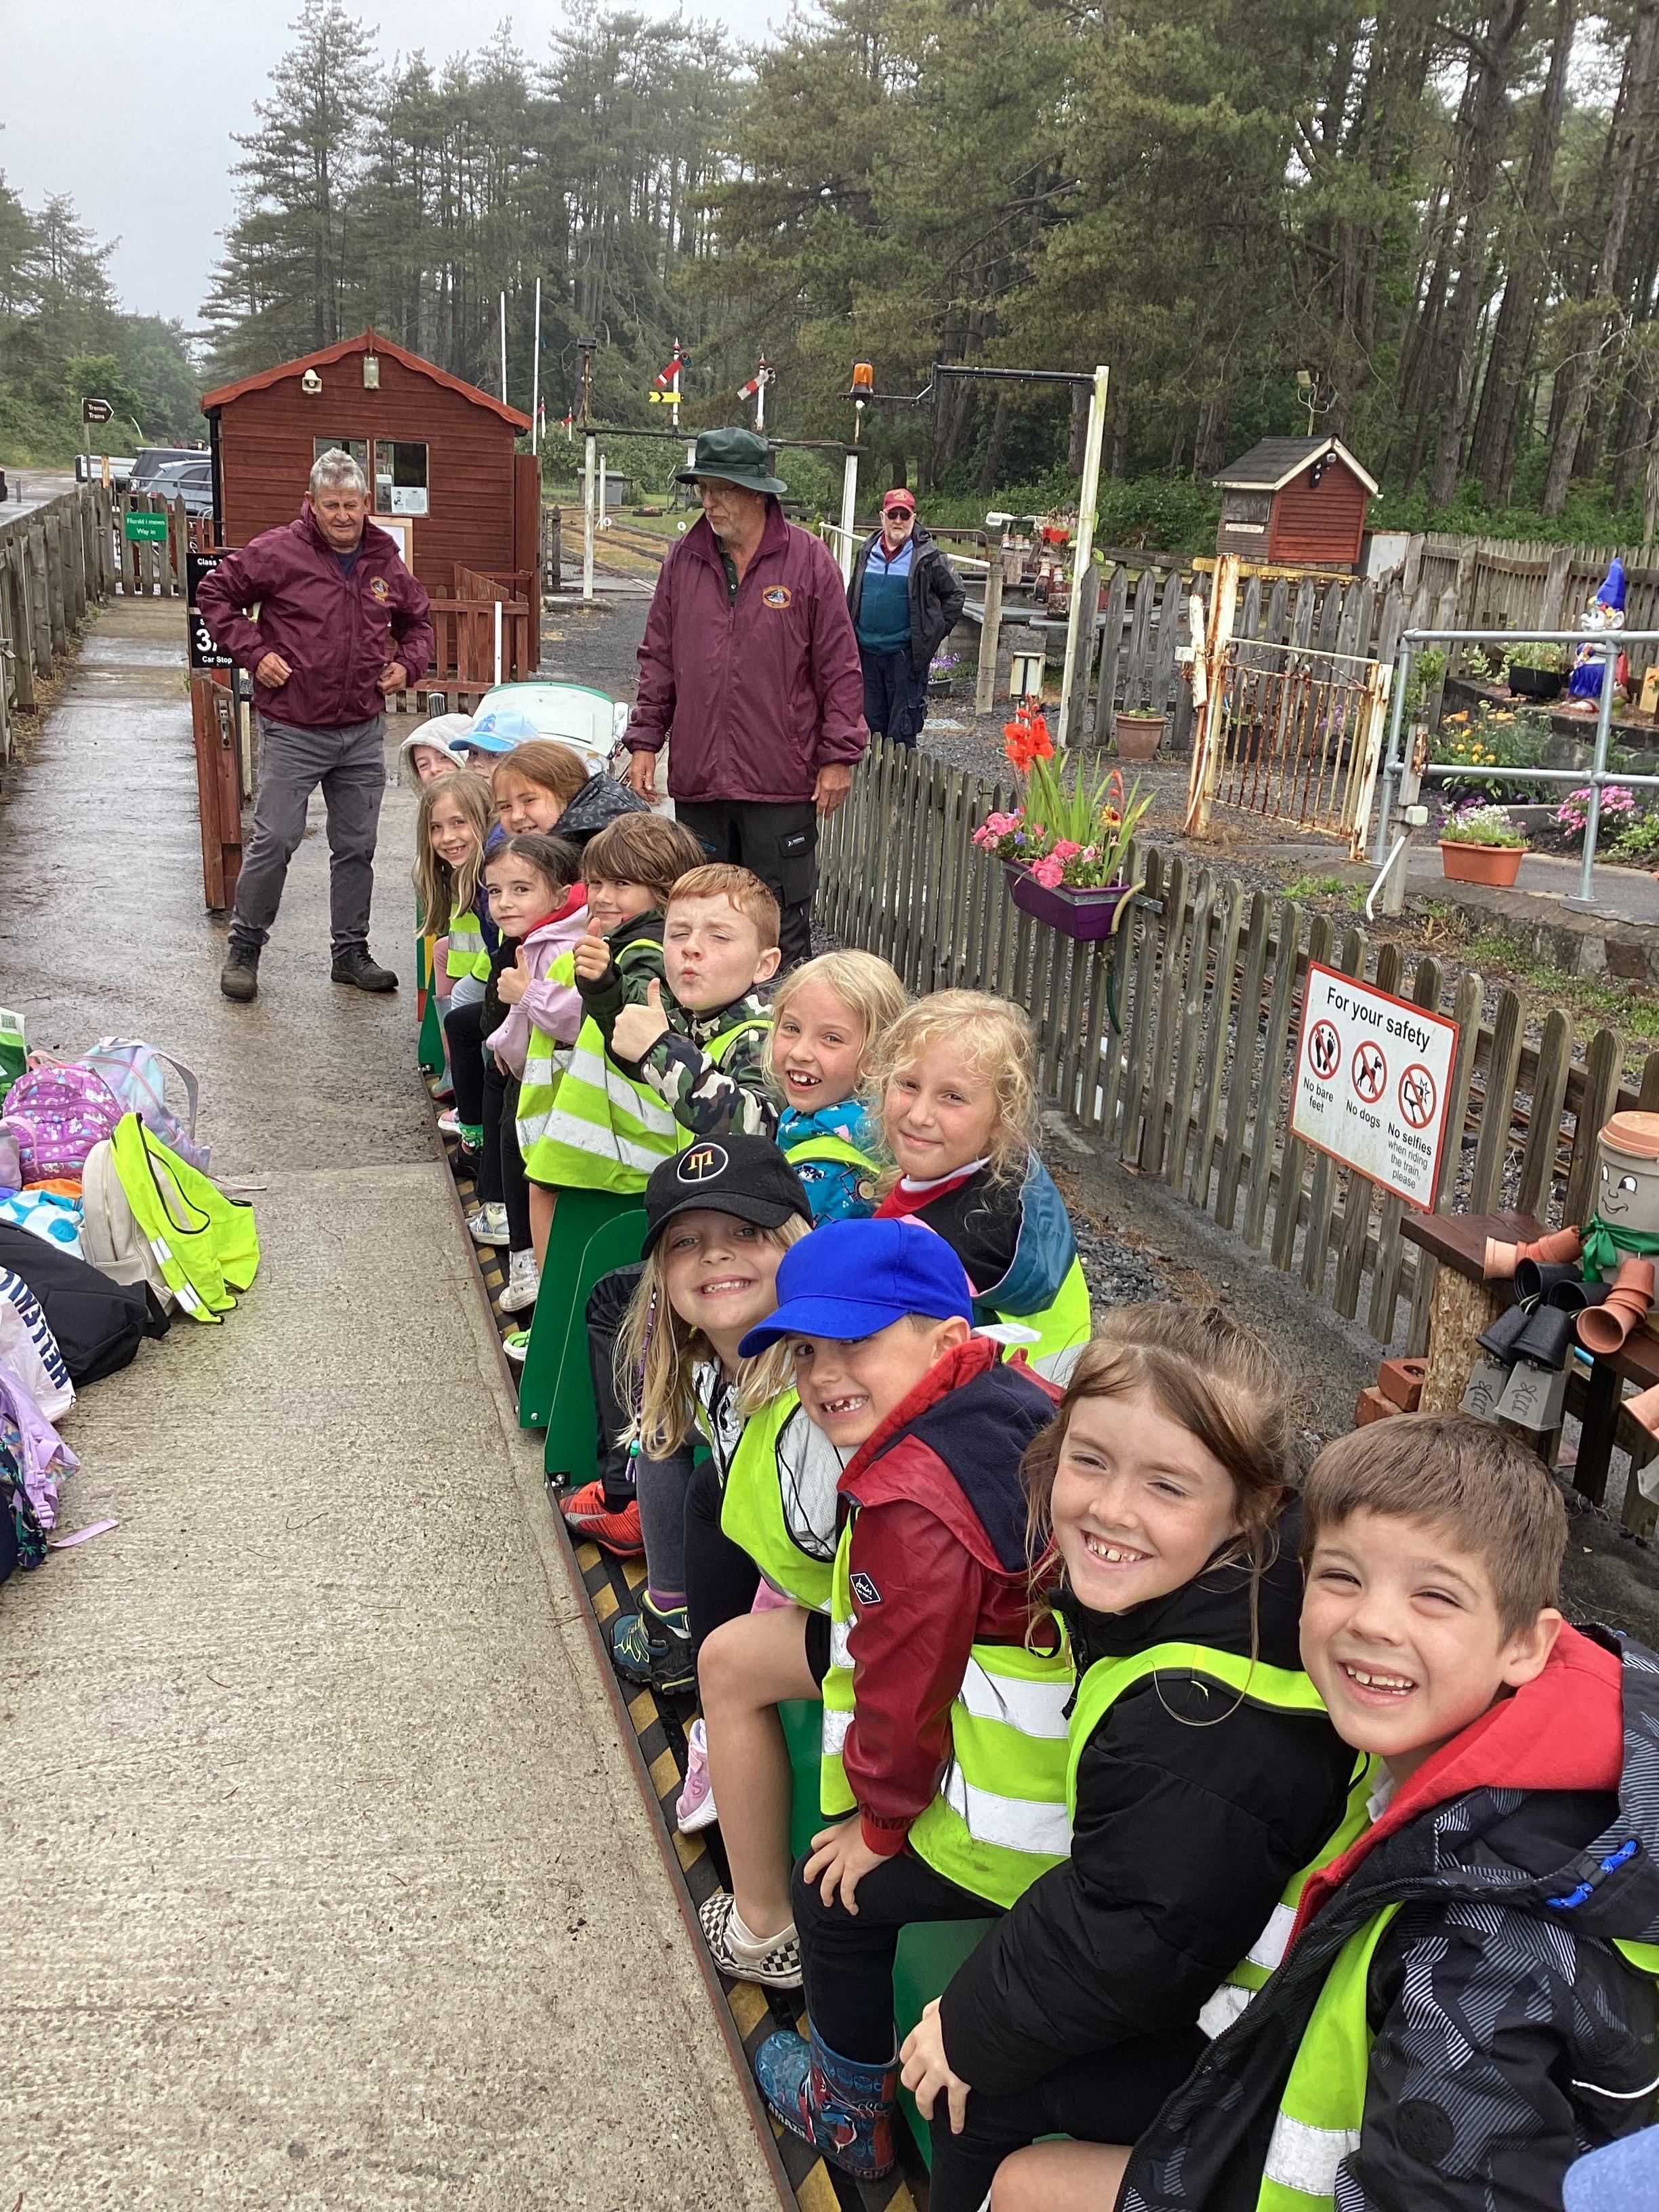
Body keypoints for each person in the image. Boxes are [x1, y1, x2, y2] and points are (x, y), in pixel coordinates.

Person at [1023, 1412, 1659, 2212]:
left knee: (1024, 2183)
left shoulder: (1478, 1953)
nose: (1372, 1622)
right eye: (1342, 1578)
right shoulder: (1522, 1753)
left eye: (1435, 1596)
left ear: (1527, 1644)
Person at [897, 1307, 1359, 2212]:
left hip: (1254, 2040)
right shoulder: (1245, 1591)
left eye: (1166, 1486)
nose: (1112, 1509)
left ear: (1252, 1507)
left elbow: (1135, 1932)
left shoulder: (1201, 1721)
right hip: (1230, 1973)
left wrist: (970, 2025)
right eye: (1091, 1462)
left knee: (973, 2093)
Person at [703, 1220, 1063, 2163]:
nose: (824, 1376)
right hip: (1077, 1775)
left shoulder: (912, 1501)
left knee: (831, 1901)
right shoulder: (1011, 1397)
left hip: (1015, 1826)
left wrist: (879, 1826)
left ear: (946, 1339)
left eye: (857, 1342)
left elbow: (901, 1694)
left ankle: (848, 2111)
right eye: (805, 1351)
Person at [623, 426, 867, 970]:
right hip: (700, 783)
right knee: (703, 921)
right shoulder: (682, 561)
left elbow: (840, 666)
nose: (708, 502)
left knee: (779, 922)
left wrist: (838, 756)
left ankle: (778, 1024)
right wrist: (645, 742)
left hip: (780, 782)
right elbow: (658, 658)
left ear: (758, 493)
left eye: (722, 489)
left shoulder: (808, 561)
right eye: (703, 489)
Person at [199, 447, 432, 1002]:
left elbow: (418, 621)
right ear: (312, 503)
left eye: (351, 505)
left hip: (361, 729)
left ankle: (350, 953)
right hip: (294, 727)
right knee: (276, 838)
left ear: (366, 503)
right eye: (332, 505)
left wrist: (409, 664)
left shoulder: (384, 559)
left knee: (356, 846)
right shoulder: (279, 551)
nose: (343, 516)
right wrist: (255, 653)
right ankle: (245, 949)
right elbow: (214, 594)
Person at [604, 1139, 821, 1709]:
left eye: (747, 1232)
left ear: (798, 1246)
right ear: (662, 1278)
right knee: (710, 1489)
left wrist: (771, 1616)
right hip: (805, 1583)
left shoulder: (820, 1399)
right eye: (686, 1241)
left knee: (725, 1664)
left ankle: (709, 1698)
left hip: (879, 1626)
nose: (716, 1254)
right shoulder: (708, 1369)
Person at [870, 991, 1090, 1379]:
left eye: (953, 1097)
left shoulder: (917, 1246)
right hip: (1051, 1393)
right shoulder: (1025, 1184)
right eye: (908, 1084)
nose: (920, 1115)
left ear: (1001, 1117)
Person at [466, 833, 585, 1326]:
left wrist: (521, 999)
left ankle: (533, 1270)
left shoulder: (561, 946)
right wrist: (504, 1044)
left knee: (533, 1172)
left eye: (520, 889)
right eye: (495, 891)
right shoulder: (535, 939)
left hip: (558, 1082)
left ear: (559, 895)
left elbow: (566, 1018)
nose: (504, 903)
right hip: (536, 1073)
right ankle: (527, 1261)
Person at [770, 951, 906, 1224]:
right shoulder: (854, 1119)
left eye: (831, 1038)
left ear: (877, 1057)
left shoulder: (825, 1175)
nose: (800, 1052)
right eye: (792, 1028)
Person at [847, 487, 965, 747]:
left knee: (902, 733)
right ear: (882, 517)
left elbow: (956, 595)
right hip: (867, 657)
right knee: (868, 730)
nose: (898, 521)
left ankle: (899, 775)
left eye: (904, 515)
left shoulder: (928, 557)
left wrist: (931, 633)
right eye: (893, 515)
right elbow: (853, 596)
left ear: (913, 518)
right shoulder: (866, 552)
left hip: (904, 659)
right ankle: (874, 774)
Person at [491, 738, 646, 852]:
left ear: (568, 794)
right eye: (505, 807)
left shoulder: (603, 853)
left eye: (529, 800)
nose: (516, 816)